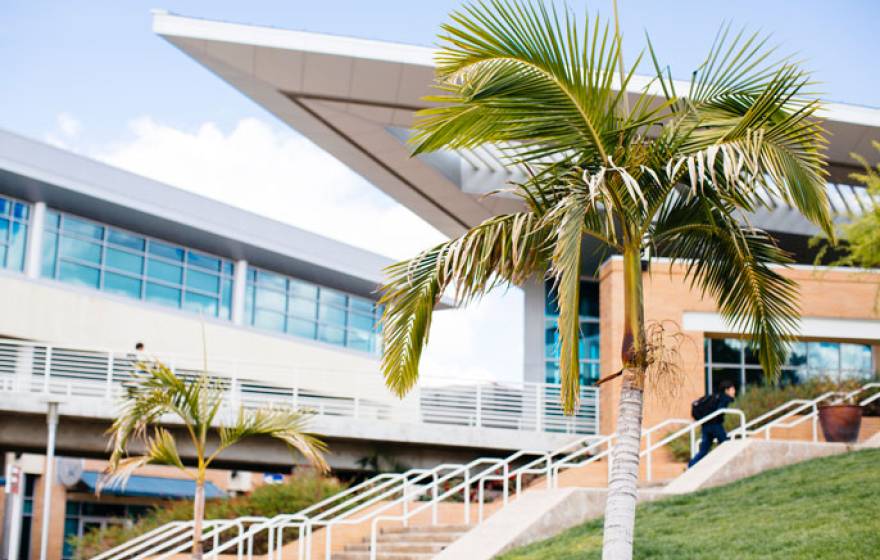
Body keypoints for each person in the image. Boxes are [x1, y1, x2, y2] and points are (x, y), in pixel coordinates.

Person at [688, 380, 737, 468]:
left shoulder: (715, 396)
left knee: (704, 451)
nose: (734, 391)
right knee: (726, 444)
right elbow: (720, 410)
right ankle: (726, 466)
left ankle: (691, 465)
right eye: (732, 389)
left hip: (706, 426)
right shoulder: (724, 398)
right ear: (726, 390)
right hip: (715, 425)